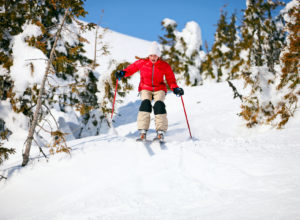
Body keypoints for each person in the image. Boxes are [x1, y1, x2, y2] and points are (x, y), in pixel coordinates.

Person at [116, 41, 184, 141]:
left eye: (155, 55)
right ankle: (143, 131)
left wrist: (175, 88)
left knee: (159, 105)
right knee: (145, 104)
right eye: (151, 55)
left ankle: (160, 132)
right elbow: (131, 69)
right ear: (149, 55)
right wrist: (123, 73)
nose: (153, 58)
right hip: (145, 88)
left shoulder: (164, 65)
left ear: (158, 56)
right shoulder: (142, 62)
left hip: (159, 88)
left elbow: (171, 80)